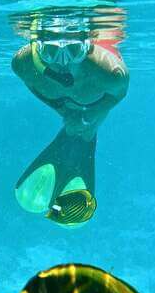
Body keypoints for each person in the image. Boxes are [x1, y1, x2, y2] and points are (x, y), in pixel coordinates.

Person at [12, 20, 129, 222]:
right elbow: (31, 83)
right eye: (51, 51)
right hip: (69, 108)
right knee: (80, 132)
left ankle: (83, 136)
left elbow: (119, 93)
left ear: (87, 45)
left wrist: (90, 117)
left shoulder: (110, 72)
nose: (62, 62)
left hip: (91, 108)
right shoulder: (22, 64)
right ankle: (80, 140)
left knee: (84, 131)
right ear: (38, 47)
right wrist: (61, 111)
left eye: (74, 50)